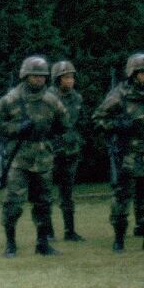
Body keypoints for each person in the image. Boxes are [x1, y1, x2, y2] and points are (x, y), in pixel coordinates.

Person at [0, 55, 67, 257]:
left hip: (43, 158)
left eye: (42, 76)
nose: (39, 79)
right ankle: (10, 244)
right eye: (34, 76)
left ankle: (42, 243)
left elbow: (63, 123)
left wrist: (50, 135)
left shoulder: (51, 100)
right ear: (25, 76)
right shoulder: (11, 99)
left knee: (44, 203)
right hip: (19, 158)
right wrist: (16, 128)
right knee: (13, 202)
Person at [92, 53, 144, 252]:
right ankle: (119, 240)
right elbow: (98, 119)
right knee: (122, 197)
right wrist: (119, 125)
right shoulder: (119, 94)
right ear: (132, 74)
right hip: (126, 153)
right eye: (141, 72)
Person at [50, 59, 85, 242]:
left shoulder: (77, 98)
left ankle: (70, 231)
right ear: (57, 79)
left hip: (71, 151)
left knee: (68, 194)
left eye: (71, 77)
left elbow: (80, 122)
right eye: (66, 77)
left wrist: (77, 140)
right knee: (45, 193)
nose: (70, 81)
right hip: (50, 152)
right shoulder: (48, 98)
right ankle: (47, 232)